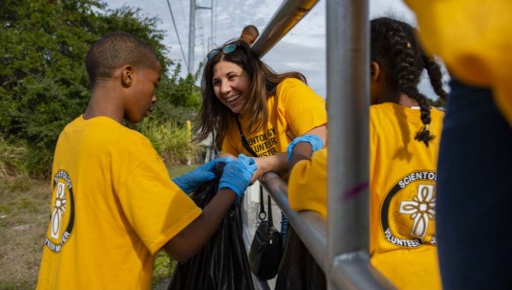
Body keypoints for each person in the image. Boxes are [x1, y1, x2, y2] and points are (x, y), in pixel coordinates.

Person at [36, 32, 256, 290]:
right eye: (155, 83)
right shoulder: (127, 144)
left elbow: (103, 203)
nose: (154, 97)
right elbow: (183, 244)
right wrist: (230, 188)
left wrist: (174, 186)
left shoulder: (71, 133)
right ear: (128, 75)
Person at [287, 17, 447, 290]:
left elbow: (304, 188)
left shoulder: (362, 126)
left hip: (378, 281)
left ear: (371, 72)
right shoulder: (446, 124)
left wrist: (301, 151)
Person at [399, 0, 512, 289]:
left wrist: (294, 161)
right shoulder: (436, 118)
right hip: (478, 43)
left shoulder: (364, 132)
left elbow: (325, 187)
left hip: (480, 30)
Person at [194, 39, 327, 272]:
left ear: (253, 74)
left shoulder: (288, 91)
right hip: (294, 202)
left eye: (232, 77)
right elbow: (229, 156)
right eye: (217, 82)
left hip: (332, 201)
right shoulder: (233, 120)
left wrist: (266, 164)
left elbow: (322, 138)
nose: (224, 89)